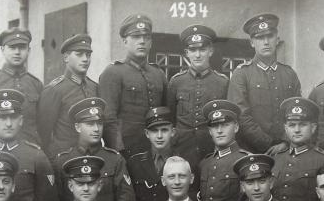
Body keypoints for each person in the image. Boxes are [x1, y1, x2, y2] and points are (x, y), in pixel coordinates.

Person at [228, 13, 301, 154]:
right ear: (251, 42)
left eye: (270, 36)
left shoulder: (289, 74)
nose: (266, 42)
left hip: (286, 150)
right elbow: (241, 116)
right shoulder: (241, 74)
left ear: (277, 39)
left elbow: (296, 111)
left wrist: (285, 142)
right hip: (251, 151)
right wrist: (269, 144)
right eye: (260, 38)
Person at [54, 97, 135, 201]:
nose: (97, 129)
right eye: (90, 124)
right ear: (77, 127)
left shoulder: (115, 159)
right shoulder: (62, 161)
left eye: (100, 123)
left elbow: (126, 199)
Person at [99, 14, 167, 156]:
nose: (142, 41)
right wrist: (118, 153)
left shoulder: (158, 74)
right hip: (127, 150)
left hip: (155, 150)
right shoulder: (113, 72)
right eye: (136, 37)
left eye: (146, 37)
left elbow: (166, 114)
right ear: (125, 41)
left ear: (151, 43)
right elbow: (109, 118)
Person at [167, 24, 229, 168]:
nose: (198, 54)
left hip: (211, 149)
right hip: (181, 150)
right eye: (193, 50)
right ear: (186, 53)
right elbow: (170, 119)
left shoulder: (222, 82)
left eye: (202, 49)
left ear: (211, 51)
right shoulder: (176, 81)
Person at [271, 97, 324, 201]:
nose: (296, 130)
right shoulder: (276, 158)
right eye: (292, 125)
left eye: (302, 125)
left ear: (313, 128)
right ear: (285, 128)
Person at [38, 33, 99, 158]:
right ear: (66, 57)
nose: (85, 59)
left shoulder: (94, 87)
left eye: (88, 55)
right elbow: (44, 134)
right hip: (66, 158)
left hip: (93, 156)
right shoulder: (54, 90)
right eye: (79, 54)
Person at [197, 100, 249, 201]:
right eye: (215, 126)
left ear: (236, 127)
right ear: (210, 131)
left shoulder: (244, 161)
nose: (219, 131)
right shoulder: (204, 163)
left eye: (225, 125)